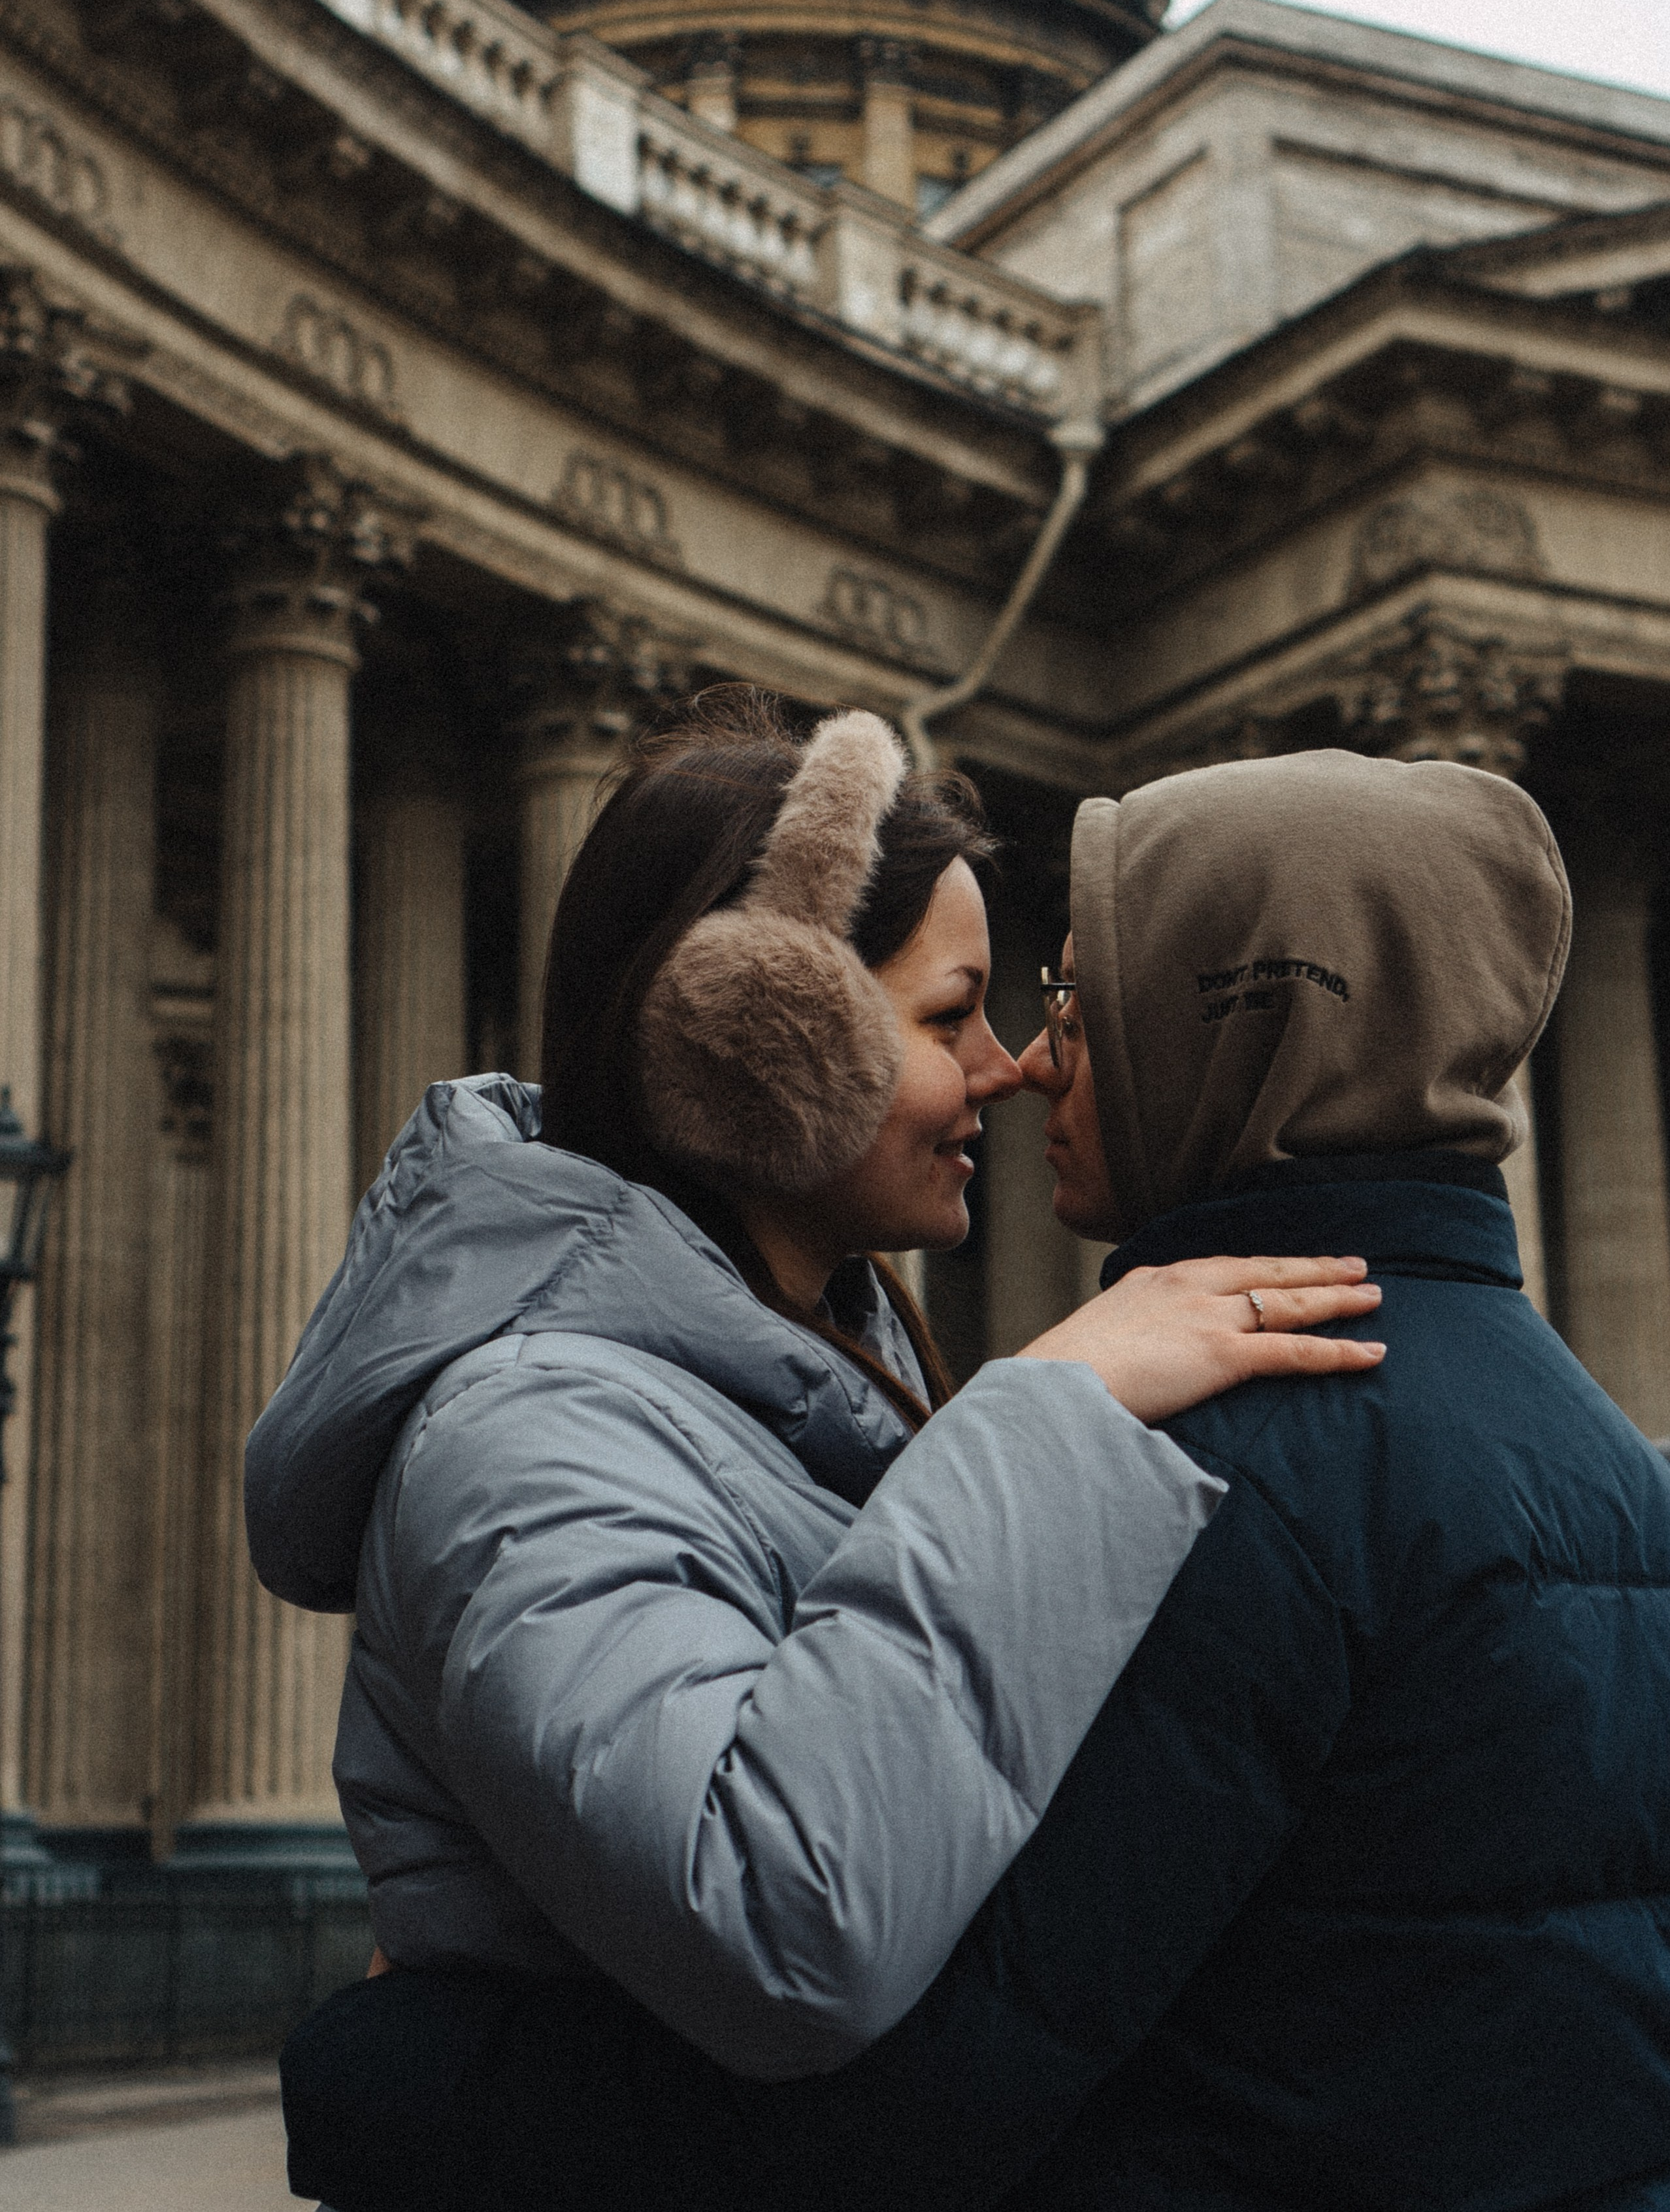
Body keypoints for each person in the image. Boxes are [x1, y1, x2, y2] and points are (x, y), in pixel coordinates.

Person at [252, 691, 1382, 2212]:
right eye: (946, 1015)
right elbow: (782, 1922)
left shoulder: (810, 1373)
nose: (1010, 1067)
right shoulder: (521, 1432)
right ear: (759, 1042)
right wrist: (1044, 1423)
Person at [994, 748, 1670, 2209]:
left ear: (1222, 1020)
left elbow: (994, 2048)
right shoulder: (1616, 1460)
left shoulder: (1209, 1464)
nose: (1036, 1057)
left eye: (1074, 1000)